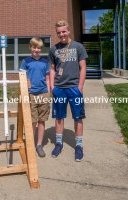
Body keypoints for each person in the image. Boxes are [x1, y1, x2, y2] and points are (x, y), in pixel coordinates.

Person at [49, 20, 88, 161]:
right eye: (59, 32)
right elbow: (52, 69)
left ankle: (78, 146)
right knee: (59, 117)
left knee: (78, 117)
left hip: (74, 88)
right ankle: (58, 144)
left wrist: (80, 87)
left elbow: (83, 67)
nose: (61, 35)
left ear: (69, 31)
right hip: (59, 89)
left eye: (64, 31)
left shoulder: (78, 47)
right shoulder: (54, 49)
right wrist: (52, 87)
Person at [20, 37, 50, 157]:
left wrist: (48, 92)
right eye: (34, 47)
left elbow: (47, 78)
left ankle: (39, 144)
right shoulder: (26, 61)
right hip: (31, 94)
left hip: (43, 93)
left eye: (38, 48)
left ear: (41, 49)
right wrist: (25, 93)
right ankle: (30, 144)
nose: (36, 50)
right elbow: (22, 78)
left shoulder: (45, 62)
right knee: (32, 121)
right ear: (30, 47)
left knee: (41, 120)